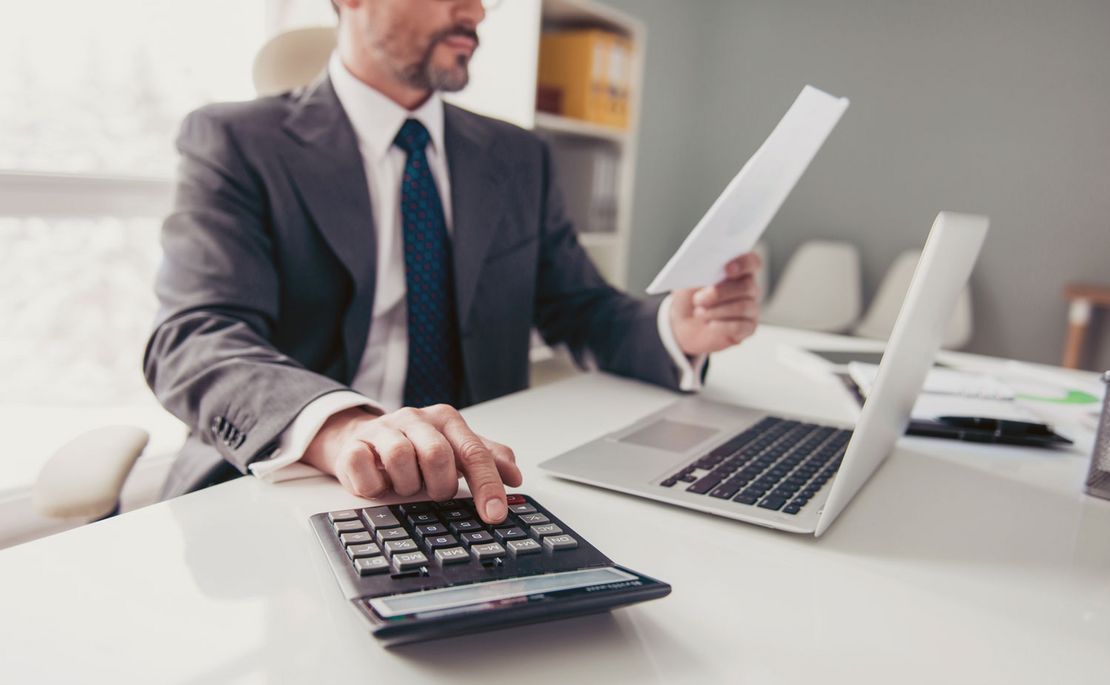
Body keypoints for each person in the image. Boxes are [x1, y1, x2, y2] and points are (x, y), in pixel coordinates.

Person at [144, 0, 762, 525]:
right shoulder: (236, 142)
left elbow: (578, 307)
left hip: (473, 487)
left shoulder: (519, 157)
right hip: (288, 480)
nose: (476, 10)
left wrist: (676, 328)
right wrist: (341, 428)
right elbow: (193, 336)